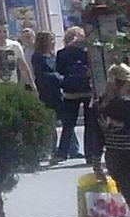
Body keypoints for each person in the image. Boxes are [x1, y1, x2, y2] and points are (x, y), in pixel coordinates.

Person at [54, 27, 94, 163]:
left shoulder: (62, 53)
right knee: (89, 124)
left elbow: (59, 71)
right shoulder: (86, 52)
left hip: (71, 92)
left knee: (69, 124)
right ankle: (90, 154)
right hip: (86, 91)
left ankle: (62, 153)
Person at [94, 63, 130, 199]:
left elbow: (98, 137)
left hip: (113, 156)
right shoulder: (125, 105)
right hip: (126, 155)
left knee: (125, 193)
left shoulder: (100, 105)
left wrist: (96, 164)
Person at [30, 30, 64, 153]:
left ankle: (67, 148)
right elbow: (41, 74)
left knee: (64, 120)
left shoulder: (52, 55)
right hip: (46, 93)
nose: (53, 42)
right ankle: (51, 149)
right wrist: (58, 77)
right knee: (49, 122)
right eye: (51, 40)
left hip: (57, 92)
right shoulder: (37, 57)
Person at [0, 19, 34, 90]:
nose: (2, 34)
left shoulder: (15, 45)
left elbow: (23, 67)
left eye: (5, 31)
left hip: (12, 87)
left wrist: (32, 85)